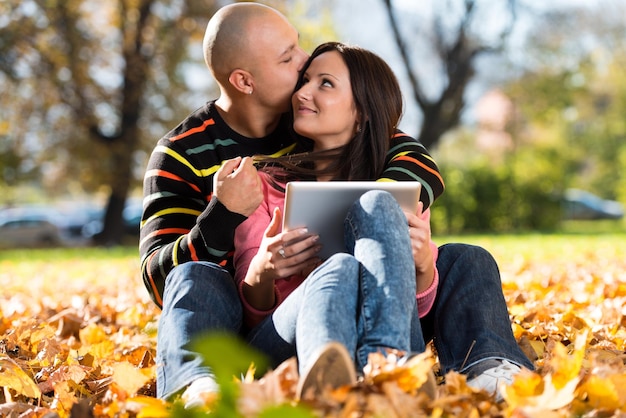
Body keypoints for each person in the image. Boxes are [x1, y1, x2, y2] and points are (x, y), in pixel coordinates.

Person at [139, 3, 444, 407]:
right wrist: (222, 217)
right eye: (288, 57)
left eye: (297, 46)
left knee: (455, 259)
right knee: (196, 275)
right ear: (244, 81)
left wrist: (374, 209)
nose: (305, 62)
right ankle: (198, 388)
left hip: (341, 293)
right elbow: (161, 281)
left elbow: (416, 160)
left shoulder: (311, 117)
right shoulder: (181, 153)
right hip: (245, 322)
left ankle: (393, 365)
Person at [233, 42, 534, 401]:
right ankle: (392, 368)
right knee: (342, 267)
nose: (303, 92)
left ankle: (488, 368)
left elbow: (413, 306)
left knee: (470, 256)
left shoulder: (397, 189)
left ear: (362, 112)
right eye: (306, 80)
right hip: (290, 344)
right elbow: (249, 316)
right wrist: (263, 271)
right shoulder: (265, 183)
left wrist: (422, 267)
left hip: (384, 331)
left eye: (324, 84)